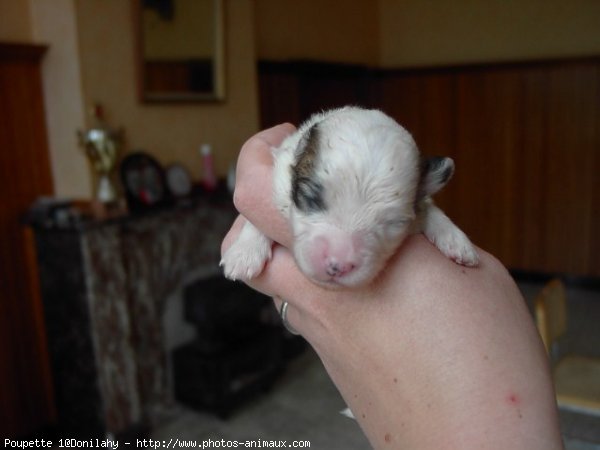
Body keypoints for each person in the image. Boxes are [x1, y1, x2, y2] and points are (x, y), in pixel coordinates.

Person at [221, 123, 564, 450]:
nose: (339, 260)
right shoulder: (292, 160)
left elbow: (421, 211)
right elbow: (268, 196)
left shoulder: (407, 197)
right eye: (313, 198)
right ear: (292, 156)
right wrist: (256, 232)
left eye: (385, 222)